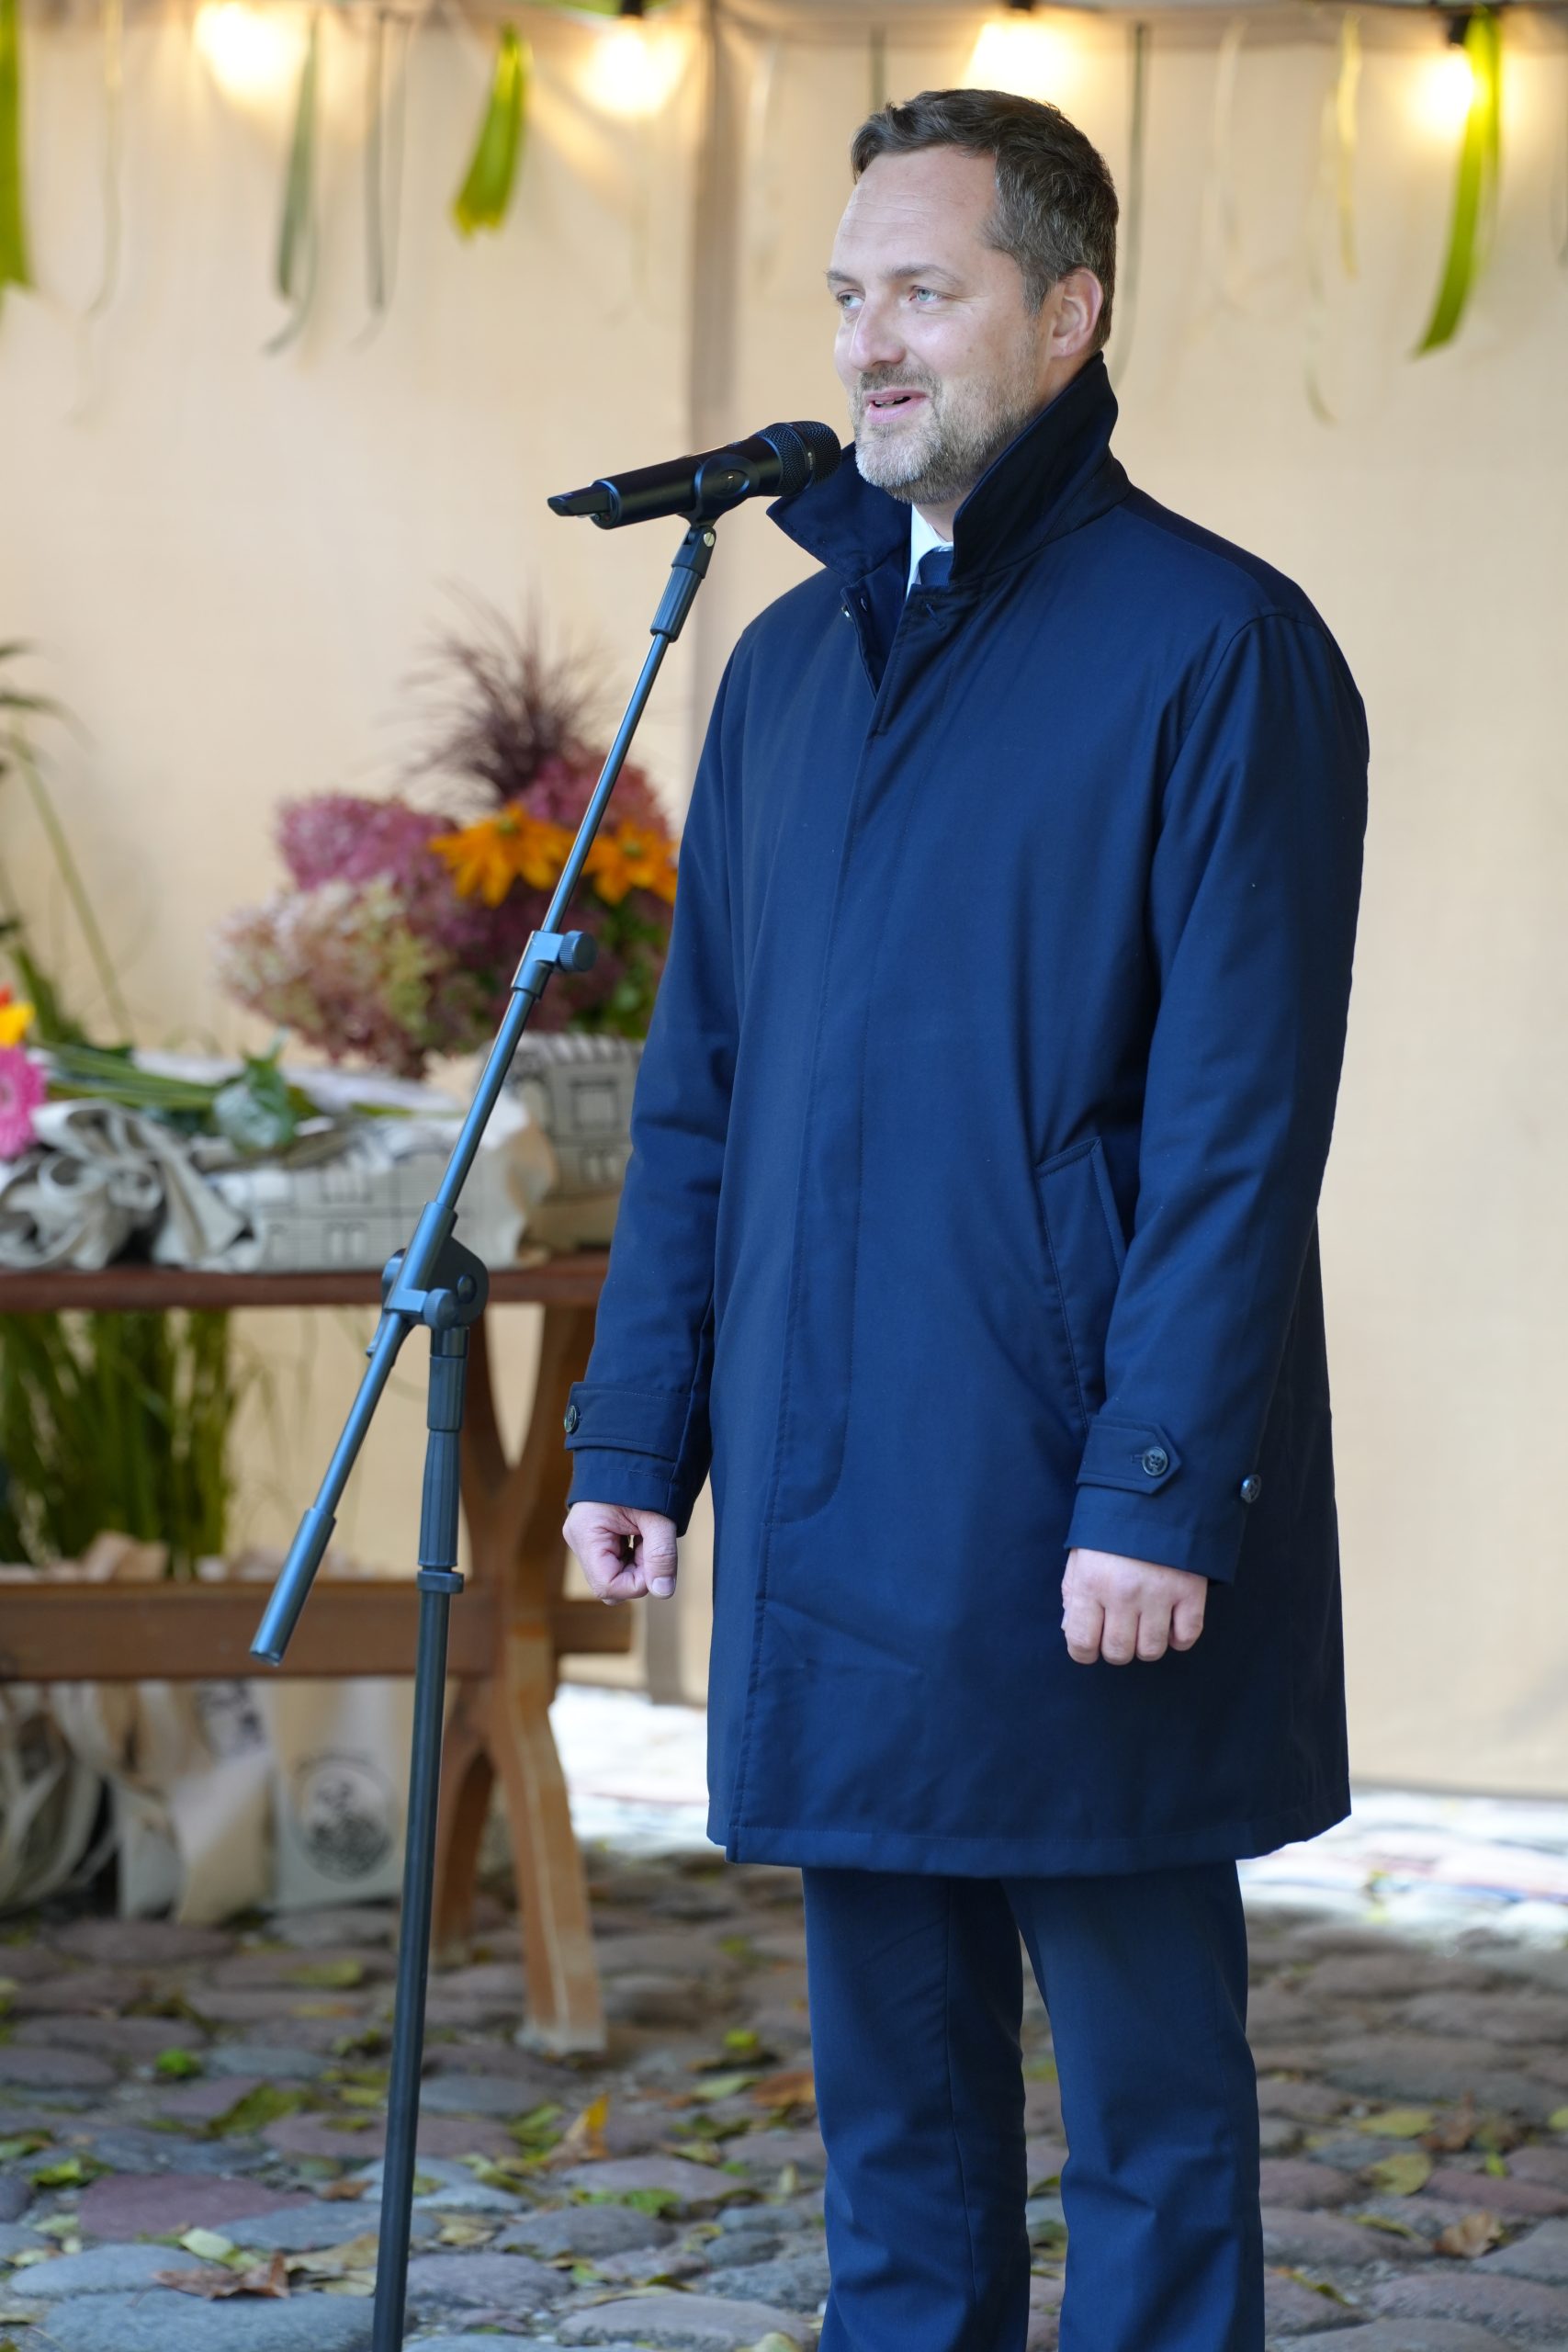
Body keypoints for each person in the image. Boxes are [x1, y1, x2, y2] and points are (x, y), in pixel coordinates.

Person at [561, 85, 1368, 2352]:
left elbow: (1234, 1125)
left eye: (923, 289)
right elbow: (701, 1090)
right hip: (832, 1485)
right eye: (847, 295)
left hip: (1067, 1496)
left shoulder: (1217, 644)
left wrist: (1152, 1485)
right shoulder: (781, 668)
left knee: (1144, 2108)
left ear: (1065, 311)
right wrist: (634, 1432)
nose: (867, 341)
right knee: (893, 2117)